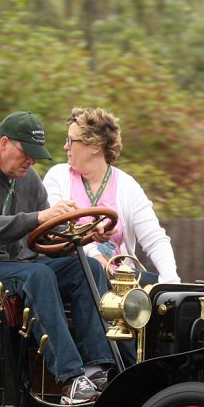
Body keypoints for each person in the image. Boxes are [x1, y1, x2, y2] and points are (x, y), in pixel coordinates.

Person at [0, 110, 115, 405]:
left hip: (19, 264)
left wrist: (81, 234)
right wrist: (39, 217)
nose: (30, 161)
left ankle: (97, 367)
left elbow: (41, 233)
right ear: (3, 143)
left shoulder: (28, 178)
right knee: (39, 276)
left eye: (35, 155)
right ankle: (70, 378)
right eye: (25, 153)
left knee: (88, 268)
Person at [42, 107, 181, 284]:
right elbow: (56, 231)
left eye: (71, 140)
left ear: (95, 146)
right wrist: (93, 252)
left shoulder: (127, 185)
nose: (65, 146)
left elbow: (154, 238)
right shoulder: (58, 176)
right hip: (76, 273)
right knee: (94, 270)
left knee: (167, 299)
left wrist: (170, 281)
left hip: (118, 275)